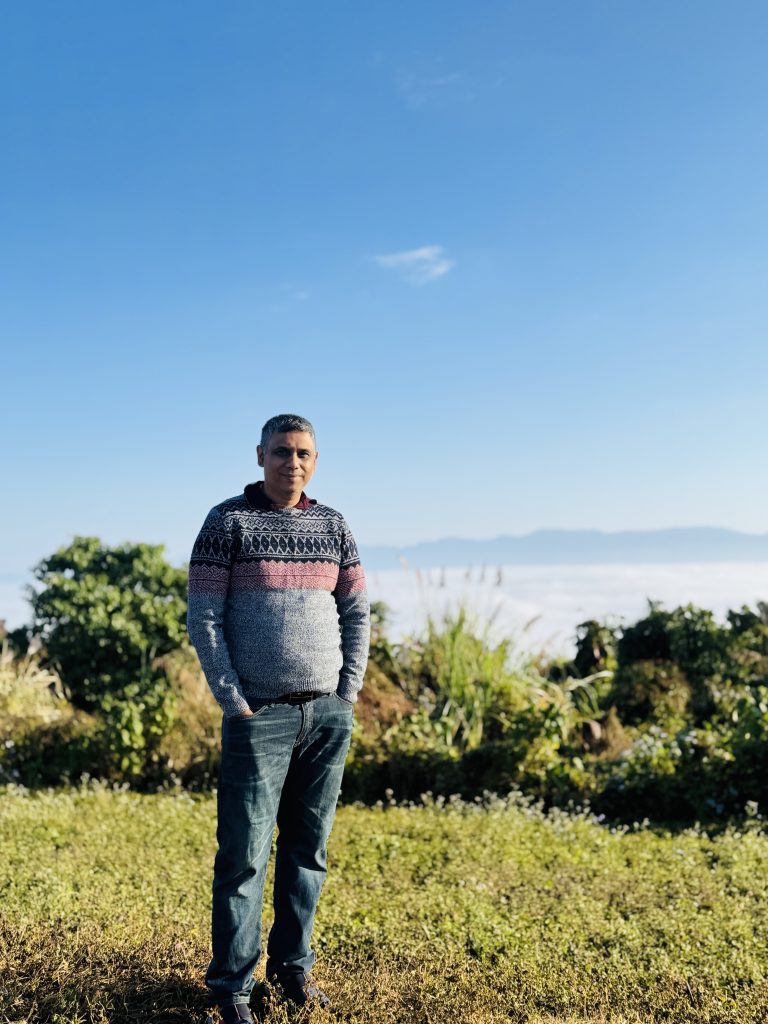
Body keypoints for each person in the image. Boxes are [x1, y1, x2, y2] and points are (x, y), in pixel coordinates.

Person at [187, 413, 370, 1022]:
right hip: (256, 716)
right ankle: (232, 990)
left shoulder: (333, 524)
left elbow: (356, 612)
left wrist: (346, 692)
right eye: (282, 452)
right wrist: (233, 700)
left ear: (315, 459)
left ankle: (292, 973)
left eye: (305, 454)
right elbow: (204, 618)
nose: (293, 463)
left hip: (325, 714)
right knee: (243, 856)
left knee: (308, 852)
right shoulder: (226, 523)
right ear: (260, 455)